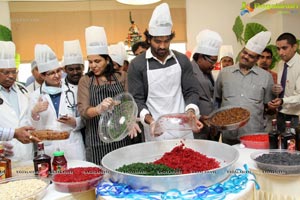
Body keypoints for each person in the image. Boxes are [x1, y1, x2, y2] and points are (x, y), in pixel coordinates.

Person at [127, 3, 203, 142]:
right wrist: (151, 121)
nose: (162, 46)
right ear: (149, 39)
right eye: (157, 41)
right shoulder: (137, 64)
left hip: (183, 129)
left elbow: (191, 91)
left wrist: (191, 112)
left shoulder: (182, 60)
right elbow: (137, 99)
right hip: (155, 130)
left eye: (166, 41)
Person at [77, 26, 141, 165]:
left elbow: (129, 102)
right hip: (95, 141)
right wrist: (99, 109)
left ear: (107, 60)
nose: (93, 65)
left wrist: (131, 121)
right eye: (90, 61)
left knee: (122, 173)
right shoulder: (86, 80)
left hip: (120, 137)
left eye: (97, 61)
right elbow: (83, 111)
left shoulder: (122, 76)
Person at [214, 31, 278, 145]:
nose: (245, 57)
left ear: (257, 58)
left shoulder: (266, 77)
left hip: (253, 135)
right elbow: (217, 100)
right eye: (245, 52)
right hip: (229, 134)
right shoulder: (225, 73)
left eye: (251, 56)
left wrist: (274, 104)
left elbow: (269, 108)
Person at [28, 43, 85, 160]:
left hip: (73, 146)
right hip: (50, 148)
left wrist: (74, 122)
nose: (57, 76)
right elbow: (33, 128)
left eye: (58, 71)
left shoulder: (73, 91)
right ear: (43, 76)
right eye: (51, 73)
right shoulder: (35, 96)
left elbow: (84, 120)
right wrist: (35, 113)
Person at [0, 41, 34, 161]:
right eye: (6, 72)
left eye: (14, 71)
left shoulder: (23, 90)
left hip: (26, 153)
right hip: (4, 153)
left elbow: (30, 118)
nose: (11, 76)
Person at [191, 29, 222, 141]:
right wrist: (199, 117)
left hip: (211, 127)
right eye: (212, 61)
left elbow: (210, 99)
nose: (213, 65)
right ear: (200, 57)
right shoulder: (189, 71)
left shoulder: (207, 72)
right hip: (197, 127)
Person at [269, 32, 300, 133]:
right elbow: (284, 87)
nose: (280, 52)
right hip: (281, 114)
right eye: (278, 49)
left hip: (296, 116)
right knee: (281, 146)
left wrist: (283, 101)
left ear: (295, 47)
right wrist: (276, 89)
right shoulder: (282, 64)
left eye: (284, 48)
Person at [257, 47, 278, 132]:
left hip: (270, 115)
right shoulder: (251, 75)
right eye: (262, 57)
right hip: (256, 114)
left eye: (268, 57)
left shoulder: (276, 76)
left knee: (269, 140)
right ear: (257, 58)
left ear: (271, 60)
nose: (264, 60)